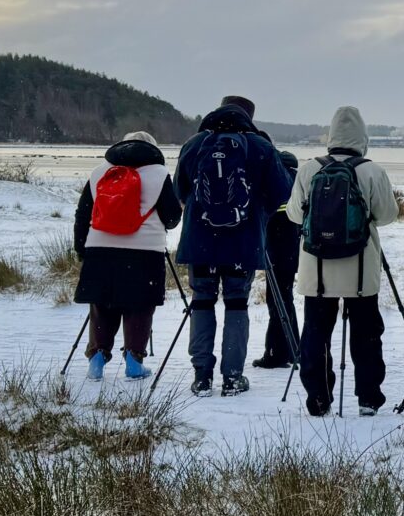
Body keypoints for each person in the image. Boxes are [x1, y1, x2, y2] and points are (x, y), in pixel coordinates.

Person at [174, 95, 292, 398]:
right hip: (243, 242)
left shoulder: (194, 144)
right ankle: (232, 377)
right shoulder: (260, 147)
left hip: (200, 240)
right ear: (248, 117)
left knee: (202, 301)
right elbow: (284, 193)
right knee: (236, 304)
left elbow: (180, 191)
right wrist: (257, 211)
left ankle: (202, 376)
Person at [287, 106, 399, 417]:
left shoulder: (309, 170)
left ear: (331, 136)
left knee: (316, 332)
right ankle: (368, 396)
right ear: (362, 138)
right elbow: (388, 215)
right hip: (360, 269)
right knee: (366, 333)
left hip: (316, 269)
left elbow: (295, 214)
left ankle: (318, 398)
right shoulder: (372, 171)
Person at [71, 131, 182, 382]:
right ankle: (134, 361)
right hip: (145, 251)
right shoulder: (159, 174)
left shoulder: (99, 172)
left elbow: (83, 214)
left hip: (100, 248)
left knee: (102, 303)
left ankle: (97, 359)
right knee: (140, 305)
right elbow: (172, 218)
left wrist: (82, 249)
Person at [253, 150, 302, 370]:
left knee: (278, 302)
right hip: (294, 249)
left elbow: (269, 216)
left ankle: (276, 353)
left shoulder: (277, 183)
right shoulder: (298, 182)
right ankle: (293, 349)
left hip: (276, 248)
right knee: (285, 298)